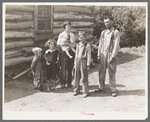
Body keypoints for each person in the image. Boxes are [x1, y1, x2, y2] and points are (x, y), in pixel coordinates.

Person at [96, 16, 120, 97]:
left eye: (108, 22)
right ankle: (101, 87)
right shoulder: (103, 32)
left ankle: (113, 89)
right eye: (105, 22)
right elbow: (100, 44)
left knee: (111, 72)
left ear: (112, 22)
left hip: (110, 54)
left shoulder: (115, 32)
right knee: (101, 72)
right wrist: (99, 54)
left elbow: (116, 45)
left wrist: (113, 56)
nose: (106, 24)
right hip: (103, 54)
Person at [57, 21, 76, 88]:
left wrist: (71, 45)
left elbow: (74, 44)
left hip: (71, 51)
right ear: (64, 27)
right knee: (63, 68)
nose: (69, 27)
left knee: (70, 68)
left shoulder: (72, 35)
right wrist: (64, 43)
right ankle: (62, 83)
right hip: (64, 52)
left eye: (70, 26)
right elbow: (58, 43)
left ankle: (69, 83)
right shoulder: (61, 34)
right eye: (68, 26)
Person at [73, 31, 91, 98]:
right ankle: (76, 90)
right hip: (77, 60)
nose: (81, 39)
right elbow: (76, 55)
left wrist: (88, 64)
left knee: (84, 77)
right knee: (76, 77)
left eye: (82, 37)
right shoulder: (78, 45)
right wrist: (75, 64)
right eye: (80, 37)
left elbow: (89, 55)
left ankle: (85, 91)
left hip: (84, 61)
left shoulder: (87, 45)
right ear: (78, 38)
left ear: (85, 37)